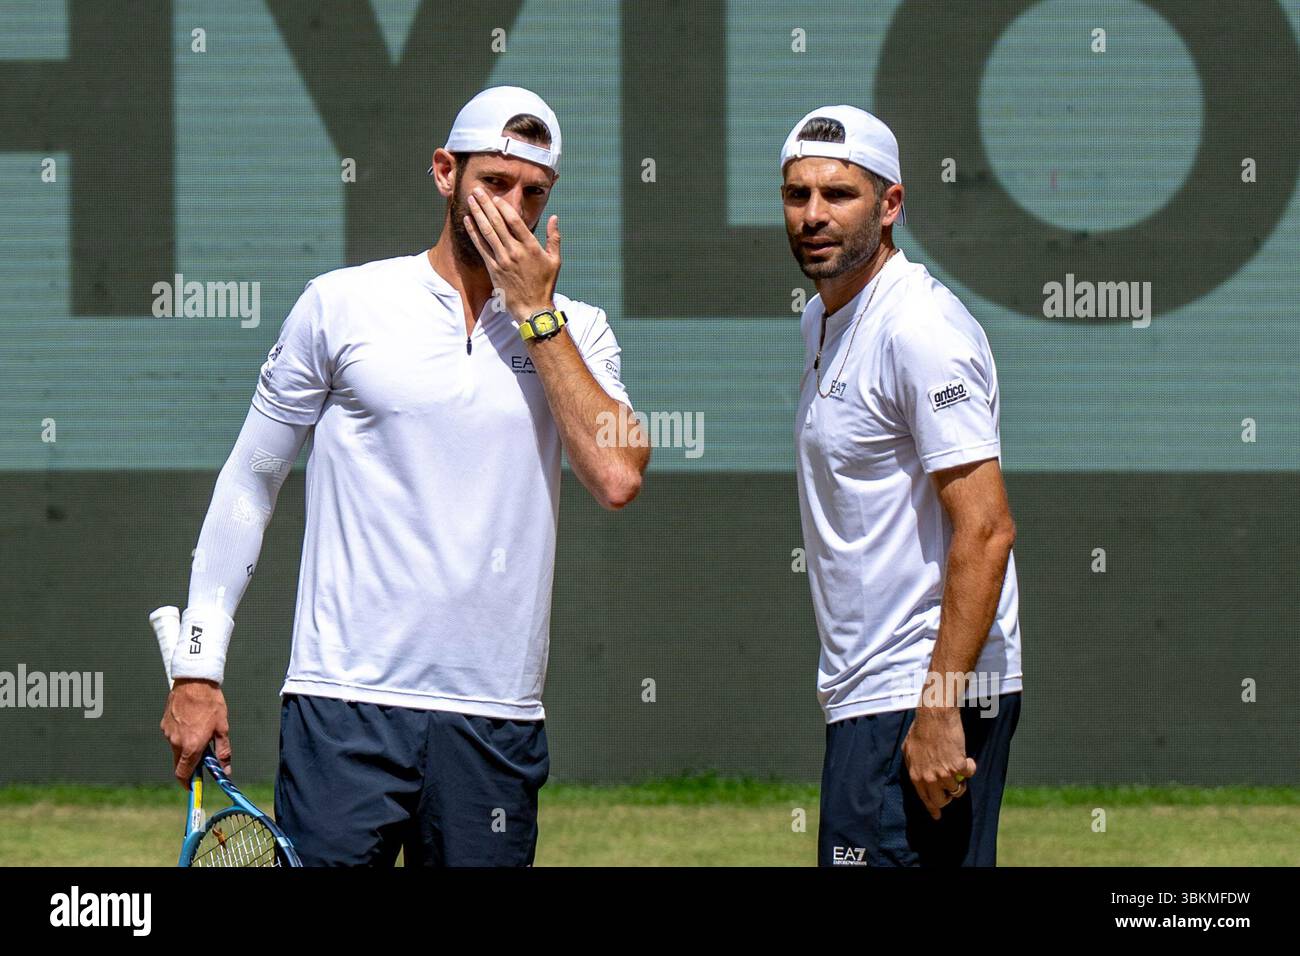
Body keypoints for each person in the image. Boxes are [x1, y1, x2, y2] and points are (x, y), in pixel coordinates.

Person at [160, 86, 650, 866]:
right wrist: (197, 666)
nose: (513, 208)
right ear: (444, 172)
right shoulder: (340, 305)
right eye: (495, 182)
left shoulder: (577, 328)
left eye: (534, 192)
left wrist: (537, 313)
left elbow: (618, 472)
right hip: (342, 711)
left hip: (495, 722)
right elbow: (252, 480)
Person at [783, 105, 1023, 866]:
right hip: (873, 696)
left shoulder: (919, 328)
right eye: (798, 195)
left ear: (890, 205)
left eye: (839, 195)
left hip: (918, 695)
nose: (814, 215)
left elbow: (986, 529)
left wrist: (940, 706)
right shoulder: (826, 321)